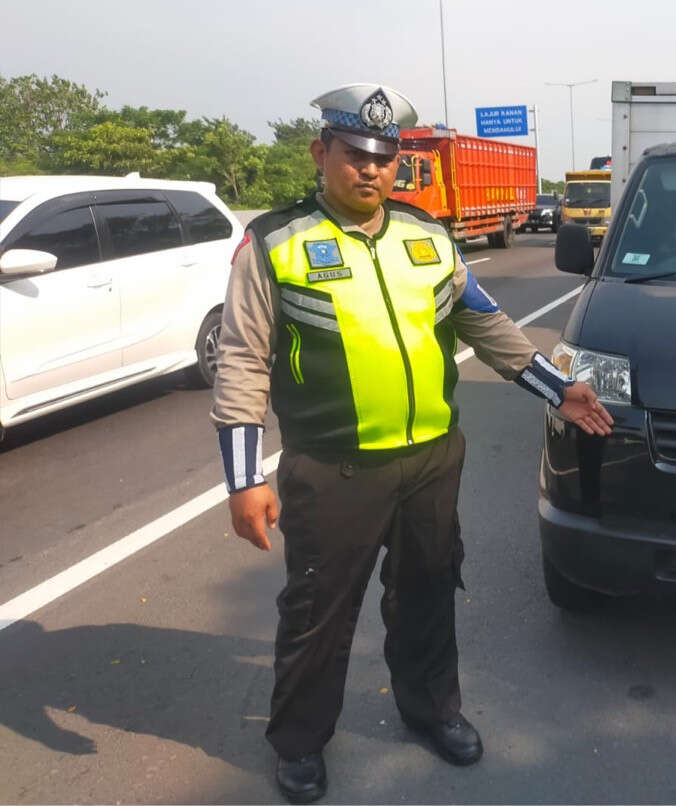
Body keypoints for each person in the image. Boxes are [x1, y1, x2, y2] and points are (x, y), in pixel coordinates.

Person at [211, 83, 613, 804]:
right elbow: (242, 357)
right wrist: (244, 480)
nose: (370, 170)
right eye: (354, 155)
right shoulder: (275, 242)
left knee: (429, 589)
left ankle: (433, 711)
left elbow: (486, 326)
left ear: (398, 161)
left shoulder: (427, 238)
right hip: (333, 467)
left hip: (431, 458)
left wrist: (561, 390)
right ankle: (300, 742)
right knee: (319, 610)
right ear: (321, 153)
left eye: (384, 157)